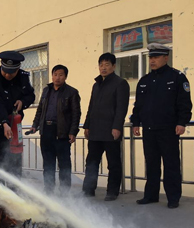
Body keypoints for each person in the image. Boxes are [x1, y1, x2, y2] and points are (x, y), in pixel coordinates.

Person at [131, 43, 192, 209]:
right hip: (149, 129)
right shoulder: (144, 81)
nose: (152, 60)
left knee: (171, 164)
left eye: (156, 57)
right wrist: (136, 122)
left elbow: (184, 104)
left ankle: (173, 198)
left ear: (166, 57)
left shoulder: (177, 78)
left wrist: (181, 122)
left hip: (168, 129)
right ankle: (151, 195)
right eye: (150, 57)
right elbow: (138, 106)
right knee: (151, 163)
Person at [82, 53, 130, 201]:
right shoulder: (96, 85)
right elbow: (91, 107)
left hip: (110, 130)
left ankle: (112, 191)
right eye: (101, 65)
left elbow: (122, 108)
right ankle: (88, 189)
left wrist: (117, 127)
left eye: (107, 65)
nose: (103, 68)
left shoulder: (120, 83)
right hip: (95, 130)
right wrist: (87, 125)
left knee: (113, 162)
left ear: (114, 66)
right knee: (91, 162)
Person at [0, 50, 35, 183]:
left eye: (11, 72)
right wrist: (4, 123)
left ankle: (15, 198)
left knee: (15, 166)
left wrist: (23, 102)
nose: (7, 75)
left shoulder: (23, 77)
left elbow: (31, 95)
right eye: (5, 71)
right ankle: (0, 202)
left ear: (18, 69)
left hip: (14, 128)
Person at [30, 65, 81, 193]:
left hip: (61, 133)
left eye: (61, 75)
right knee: (48, 163)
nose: (57, 77)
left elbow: (76, 114)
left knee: (64, 164)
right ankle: (49, 190)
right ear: (52, 75)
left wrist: (73, 131)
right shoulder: (46, 90)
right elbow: (40, 110)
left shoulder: (72, 92)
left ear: (65, 77)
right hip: (46, 131)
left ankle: (64, 191)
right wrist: (35, 125)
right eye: (55, 74)